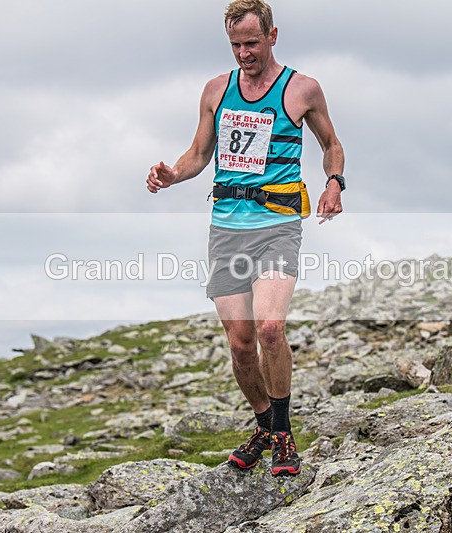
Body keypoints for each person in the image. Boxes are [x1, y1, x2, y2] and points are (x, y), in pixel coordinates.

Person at [146, 0, 345, 476]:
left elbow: (331, 145)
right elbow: (198, 153)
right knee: (239, 343)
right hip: (227, 228)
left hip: (277, 225)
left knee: (270, 329)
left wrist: (334, 183)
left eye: (252, 43)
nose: (244, 54)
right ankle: (262, 425)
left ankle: (283, 433)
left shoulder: (302, 89)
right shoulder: (217, 90)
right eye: (236, 45)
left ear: (273, 36)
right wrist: (172, 174)